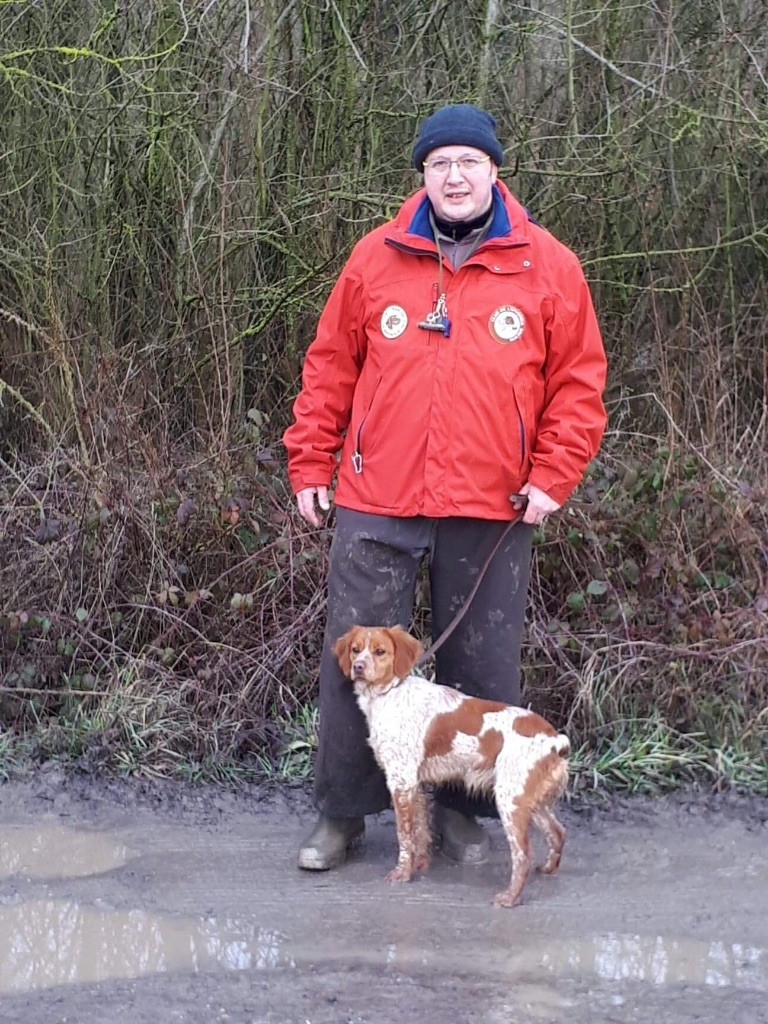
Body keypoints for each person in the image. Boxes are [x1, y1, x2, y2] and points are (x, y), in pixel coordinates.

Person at [283, 104, 607, 871]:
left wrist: (553, 476)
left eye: (469, 163)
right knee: (357, 667)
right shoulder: (375, 259)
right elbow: (330, 366)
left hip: (494, 504)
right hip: (377, 496)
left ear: (496, 171)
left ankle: (463, 814)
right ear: (422, 175)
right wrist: (310, 462)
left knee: (482, 670)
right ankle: (342, 815)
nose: (455, 177)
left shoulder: (547, 265)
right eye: (440, 164)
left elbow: (580, 384)